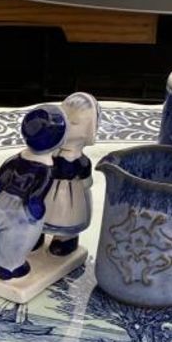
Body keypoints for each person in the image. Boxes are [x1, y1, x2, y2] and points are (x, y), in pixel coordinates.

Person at [0, 105, 65, 281]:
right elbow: (37, 196)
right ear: (58, 142)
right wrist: (36, 213)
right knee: (16, 241)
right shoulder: (46, 169)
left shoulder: (13, 160)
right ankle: (11, 267)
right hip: (20, 210)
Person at [42, 92, 99, 257]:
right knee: (38, 214)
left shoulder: (81, 161)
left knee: (68, 216)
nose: (66, 125)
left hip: (71, 197)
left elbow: (87, 182)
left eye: (73, 123)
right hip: (46, 192)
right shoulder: (49, 152)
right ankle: (36, 235)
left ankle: (66, 240)